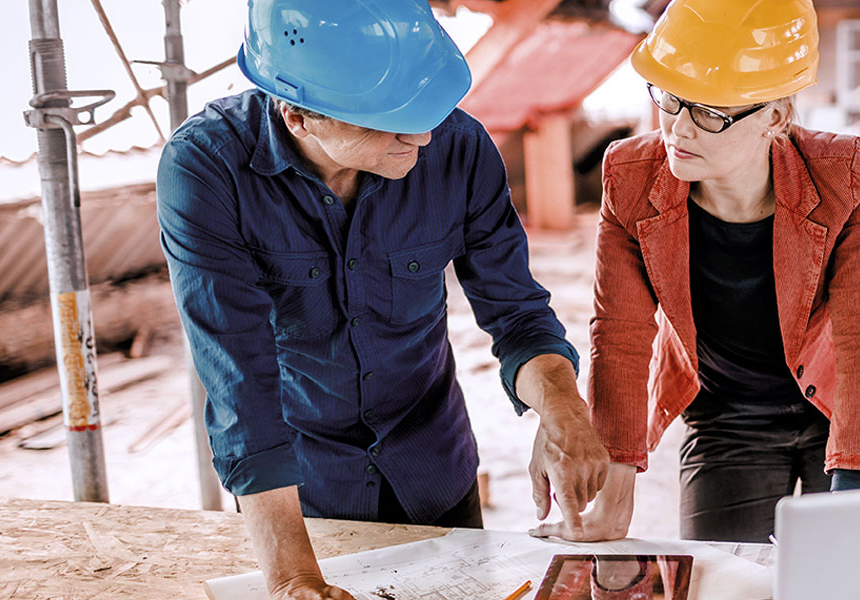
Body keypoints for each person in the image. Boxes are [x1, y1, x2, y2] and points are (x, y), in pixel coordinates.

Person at [157, 1, 610, 597]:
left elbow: (516, 311)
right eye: (390, 119)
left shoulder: (457, 148)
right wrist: (292, 578)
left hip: (434, 466)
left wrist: (562, 406)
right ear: (298, 116)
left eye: (423, 110)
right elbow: (239, 382)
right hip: (303, 496)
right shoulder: (208, 171)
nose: (421, 134)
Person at [532, 0, 860, 544]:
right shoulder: (630, 178)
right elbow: (619, 335)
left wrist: (854, 488)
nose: (678, 129)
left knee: (840, 572)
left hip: (844, 403)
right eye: (671, 99)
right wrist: (615, 492)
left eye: (710, 111)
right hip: (727, 416)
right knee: (724, 579)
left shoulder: (841, 174)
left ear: (777, 117)